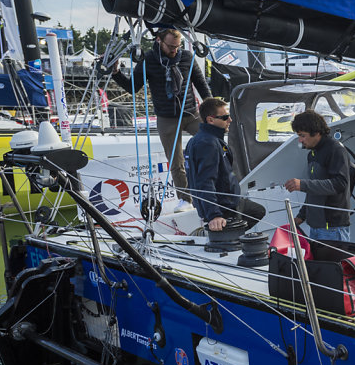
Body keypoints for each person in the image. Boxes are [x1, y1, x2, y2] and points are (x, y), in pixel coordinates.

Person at [112, 29, 211, 207]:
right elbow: (133, 88)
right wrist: (116, 73)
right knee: (176, 162)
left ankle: (213, 190)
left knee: (214, 145)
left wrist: (211, 106)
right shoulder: (148, 60)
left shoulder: (187, 57)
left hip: (191, 113)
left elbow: (200, 83)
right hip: (167, 118)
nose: (174, 50)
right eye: (171, 46)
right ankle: (185, 200)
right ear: (159, 41)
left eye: (177, 46)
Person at [184, 97, 265, 231]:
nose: (230, 120)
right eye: (225, 117)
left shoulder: (205, 139)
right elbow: (204, 182)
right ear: (210, 120)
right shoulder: (208, 143)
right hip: (223, 207)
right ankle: (222, 236)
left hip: (230, 202)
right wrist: (214, 215)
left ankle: (231, 236)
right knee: (254, 215)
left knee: (257, 211)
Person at [284, 110, 351, 243]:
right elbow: (314, 189)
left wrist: (302, 184)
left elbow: (340, 183)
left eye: (303, 136)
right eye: (299, 136)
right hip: (315, 227)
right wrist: (301, 216)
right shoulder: (312, 154)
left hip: (332, 228)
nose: (300, 140)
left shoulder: (335, 150)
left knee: (335, 264)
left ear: (316, 132)